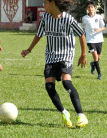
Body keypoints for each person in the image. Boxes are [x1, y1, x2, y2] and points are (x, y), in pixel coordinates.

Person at [21, 0, 88, 128]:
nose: (43, 6)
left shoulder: (68, 19)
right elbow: (39, 34)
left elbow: (81, 33)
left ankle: (81, 115)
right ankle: (64, 112)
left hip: (66, 55)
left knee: (66, 82)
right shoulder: (45, 18)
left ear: (52, 3)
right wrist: (29, 50)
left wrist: (83, 54)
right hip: (51, 56)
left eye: (45, 3)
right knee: (49, 86)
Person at [82, 1, 106, 80]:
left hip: (99, 39)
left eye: (92, 7)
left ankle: (93, 64)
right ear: (87, 9)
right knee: (95, 56)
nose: (90, 9)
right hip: (90, 40)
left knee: (98, 57)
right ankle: (99, 74)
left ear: (94, 8)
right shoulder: (84, 18)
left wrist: (99, 29)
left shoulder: (99, 17)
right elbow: (83, 28)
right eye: (89, 7)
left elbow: (104, 27)